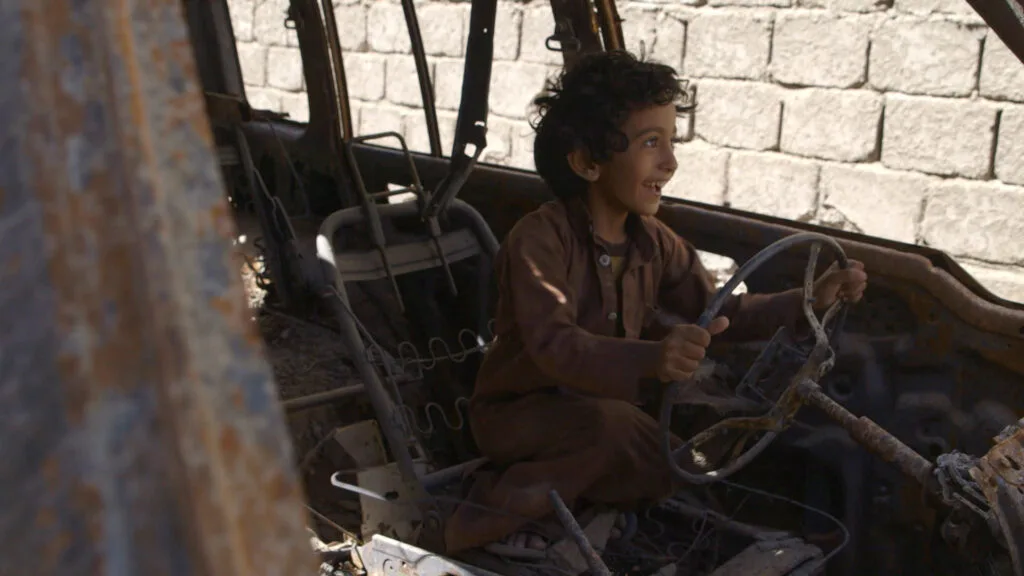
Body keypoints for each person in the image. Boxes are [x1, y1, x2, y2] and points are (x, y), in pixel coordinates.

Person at [442, 50, 868, 556]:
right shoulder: (540, 239)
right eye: (651, 142)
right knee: (610, 430)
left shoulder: (655, 242)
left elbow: (721, 314)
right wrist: (653, 358)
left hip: (602, 414)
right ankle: (480, 525)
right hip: (518, 414)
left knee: (687, 455)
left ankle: (601, 510)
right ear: (587, 162)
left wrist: (808, 300)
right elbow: (555, 345)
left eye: (671, 141)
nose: (670, 161)